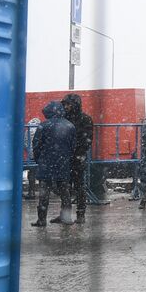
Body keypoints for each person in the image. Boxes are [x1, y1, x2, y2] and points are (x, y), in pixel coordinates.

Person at [30, 101, 76, 227]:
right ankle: (66, 217)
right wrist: (67, 159)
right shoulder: (70, 126)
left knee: (44, 194)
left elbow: (36, 145)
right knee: (64, 192)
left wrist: (39, 159)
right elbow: (73, 147)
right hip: (63, 164)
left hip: (46, 164)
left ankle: (42, 219)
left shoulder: (43, 126)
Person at [60, 93, 94, 223]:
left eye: (68, 104)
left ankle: (80, 214)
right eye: (65, 104)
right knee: (66, 186)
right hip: (69, 157)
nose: (66, 107)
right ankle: (66, 214)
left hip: (75, 157)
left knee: (78, 186)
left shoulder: (84, 119)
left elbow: (87, 140)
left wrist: (77, 152)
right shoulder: (66, 118)